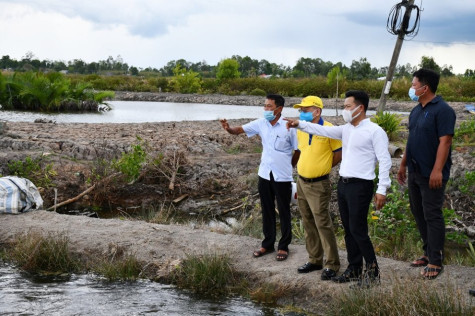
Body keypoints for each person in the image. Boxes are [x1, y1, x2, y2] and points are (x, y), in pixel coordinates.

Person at [285, 90, 392, 288]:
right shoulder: (346, 129)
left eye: (347, 106)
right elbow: (321, 131)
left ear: (360, 108)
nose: (344, 110)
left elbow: (385, 161)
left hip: (361, 185)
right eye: (344, 106)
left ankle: (372, 273)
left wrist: (382, 189)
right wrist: (298, 123)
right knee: (349, 230)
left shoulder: (375, 131)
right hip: (344, 184)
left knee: (359, 231)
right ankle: (354, 268)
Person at [220, 94, 298, 261]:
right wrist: (228, 129)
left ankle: (283, 246)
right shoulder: (261, 123)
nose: (266, 109)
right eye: (265, 106)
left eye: (269, 106)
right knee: (267, 209)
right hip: (264, 174)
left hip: (282, 176)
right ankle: (268, 244)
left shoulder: (289, 126)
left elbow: (298, 151)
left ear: (279, 109)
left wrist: (288, 166)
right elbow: (239, 130)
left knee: (284, 210)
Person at [397, 68, 456, 280]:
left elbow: (445, 141)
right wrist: (403, 165)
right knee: (418, 212)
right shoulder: (416, 110)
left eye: (414, 85)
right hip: (414, 171)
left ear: (425, 88)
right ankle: (427, 251)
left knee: (432, 214)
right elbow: (411, 140)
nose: (411, 88)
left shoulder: (443, 110)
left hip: (433, 173)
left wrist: (437, 170)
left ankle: (435, 260)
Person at [292, 96, 342, 281]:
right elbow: (300, 151)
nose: (301, 113)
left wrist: (324, 167)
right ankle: (314, 259)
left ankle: (332, 264)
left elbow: (338, 154)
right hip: (302, 181)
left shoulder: (329, 129)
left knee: (322, 222)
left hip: (318, 183)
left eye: (305, 109)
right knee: (307, 220)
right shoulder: (301, 129)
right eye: (300, 110)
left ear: (317, 111)